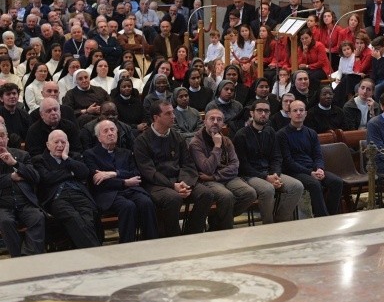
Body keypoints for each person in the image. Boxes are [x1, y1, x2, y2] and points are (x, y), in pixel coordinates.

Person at [134, 100, 215, 237]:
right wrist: (173, 186)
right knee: (173, 198)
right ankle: (173, 238)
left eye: (173, 112)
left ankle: (192, 234)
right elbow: (149, 172)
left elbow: (188, 164)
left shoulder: (177, 136)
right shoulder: (142, 141)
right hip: (156, 184)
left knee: (206, 194)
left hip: (179, 180)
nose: (173, 116)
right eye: (168, 113)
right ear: (156, 117)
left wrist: (184, 183)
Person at [84, 119, 158, 243]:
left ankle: (152, 243)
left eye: (113, 130)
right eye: (105, 131)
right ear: (99, 137)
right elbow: (98, 181)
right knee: (128, 206)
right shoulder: (90, 155)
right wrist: (124, 182)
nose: (110, 133)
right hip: (108, 193)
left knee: (146, 202)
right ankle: (126, 246)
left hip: (131, 190)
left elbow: (136, 174)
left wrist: (113, 173)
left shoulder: (126, 153)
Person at [233, 101, 304, 224]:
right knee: (268, 189)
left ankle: (281, 221)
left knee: (296, 186)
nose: (263, 114)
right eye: (259, 111)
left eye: (266, 111)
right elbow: (243, 166)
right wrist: (266, 177)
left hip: (270, 173)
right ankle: (268, 225)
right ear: (252, 113)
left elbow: (276, 157)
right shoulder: (241, 135)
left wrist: (275, 174)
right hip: (250, 175)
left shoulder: (270, 132)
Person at [188, 109, 257, 231]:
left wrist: (215, 176)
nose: (215, 122)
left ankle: (216, 221)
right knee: (226, 196)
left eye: (219, 120)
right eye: (212, 119)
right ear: (205, 122)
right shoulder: (196, 143)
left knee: (249, 193)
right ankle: (225, 230)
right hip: (207, 181)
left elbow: (235, 165)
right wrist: (217, 147)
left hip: (223, 177)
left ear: (223, 123)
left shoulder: (226, 140)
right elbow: (207, 169)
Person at [34, 129, 102, 249]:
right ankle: (96, 253)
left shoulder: (73, 157)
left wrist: (66, 158)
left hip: (79, 193)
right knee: (73, 217)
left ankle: (89, 254)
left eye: (63, 142)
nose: (60, 145)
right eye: (56, 142)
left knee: (88, 216)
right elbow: (47, 178)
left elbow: (84, 173)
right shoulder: (39, 160)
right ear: (48, 145)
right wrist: (71, 173)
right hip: (57, 198)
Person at [277, 99, 343, 217]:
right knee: (314, 184)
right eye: (295, 110)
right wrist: (310, 172)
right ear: (289, 114)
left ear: (306, 113)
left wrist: (319, 168)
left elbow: (318, 155)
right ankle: (322, 217)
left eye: (301, 110)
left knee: (336, 182)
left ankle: (331, 215)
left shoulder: (311, 133)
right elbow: (288, 162)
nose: (298, 113)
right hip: (294, 171)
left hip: (312, 169)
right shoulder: (282, 134)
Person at [0, 124, 43, 257]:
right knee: (5, 221)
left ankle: (27, 257)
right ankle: (17, 257)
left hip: (25, 202)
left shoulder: (22, 155)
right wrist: (10, 177)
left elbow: (35, 177)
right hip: (3, 205)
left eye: (2, 136)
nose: (0, 140)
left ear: (7, 138)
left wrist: (15, 164)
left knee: (38, 217)